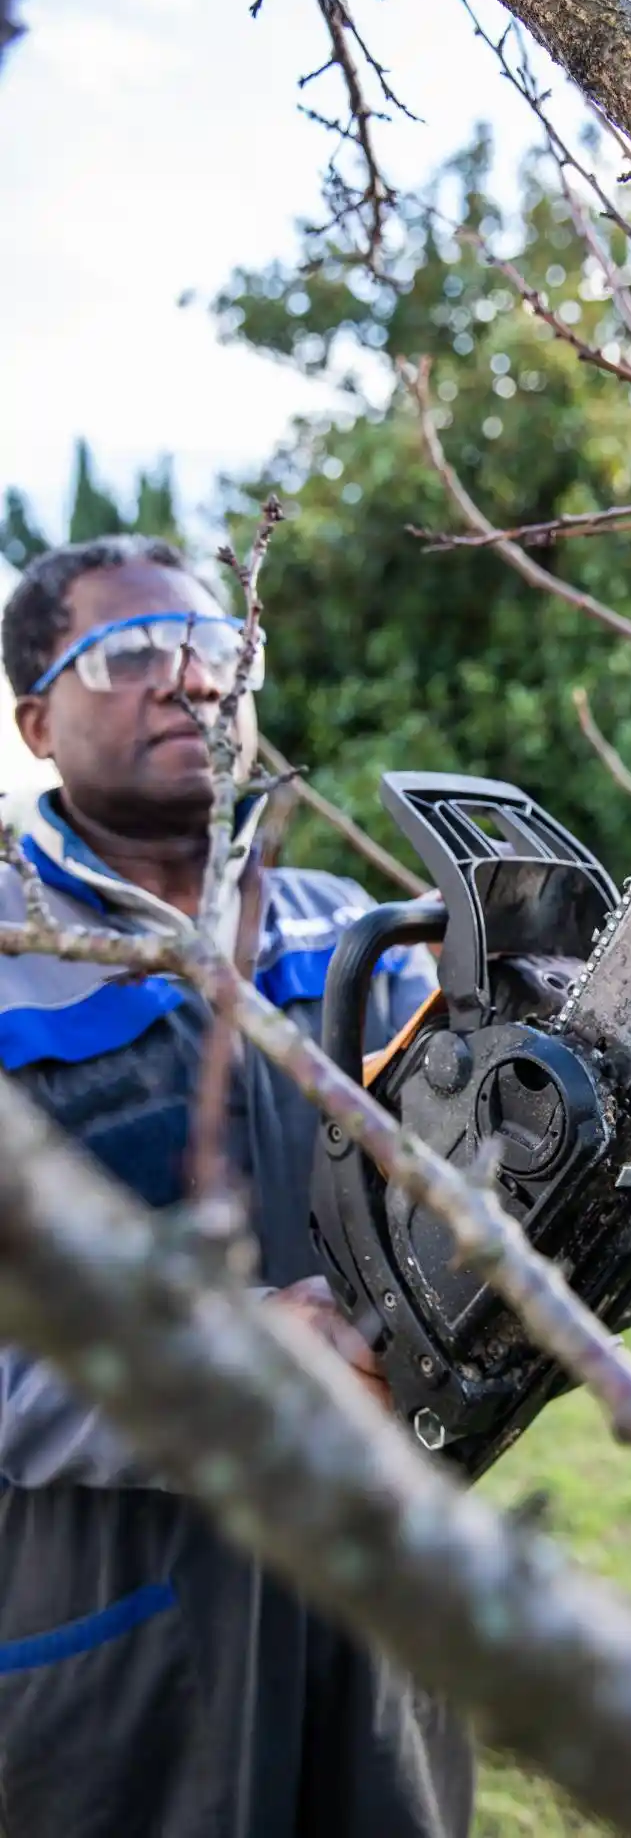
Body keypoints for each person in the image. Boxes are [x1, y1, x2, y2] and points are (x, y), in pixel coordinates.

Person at [0, 536, 475, 1838]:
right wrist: (211, 1371)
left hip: (381, 1569)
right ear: (38, 720)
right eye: (131, 652)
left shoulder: (347, 929)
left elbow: (465, 1168)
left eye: (214, 651)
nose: (188, 682)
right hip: (120, 1621)